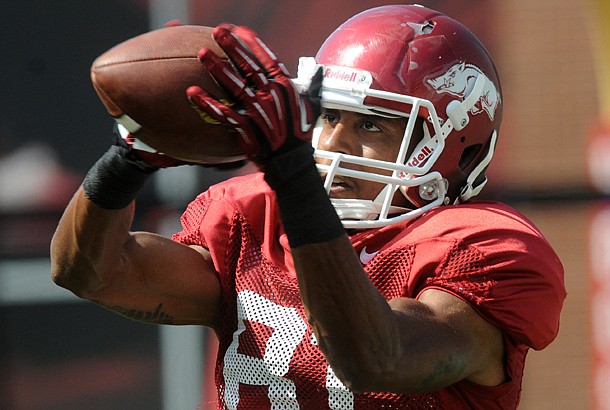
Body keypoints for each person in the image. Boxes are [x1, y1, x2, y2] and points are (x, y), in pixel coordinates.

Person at [50, 4, 566, 409]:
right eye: (328, 116)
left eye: (370, 125)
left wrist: (295, 181)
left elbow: (377, 358)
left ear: (463, 149)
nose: (333, 145)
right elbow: (92, 273)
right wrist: (129, 158)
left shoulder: (484, 248)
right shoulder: (253, 215)